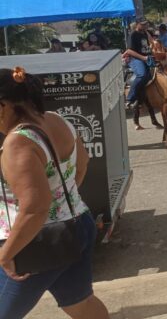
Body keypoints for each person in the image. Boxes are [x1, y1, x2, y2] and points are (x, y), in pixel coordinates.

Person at [0, 67, 109, 319]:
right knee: (80, 304)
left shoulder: (18, 142)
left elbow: (35, 208)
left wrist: (6, 255)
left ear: (4, 105)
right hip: (77, 225)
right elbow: (82, 162)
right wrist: (63, 202)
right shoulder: (56, 120)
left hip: (34, 242)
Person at [123, 18, 153, 111]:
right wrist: (143, 58)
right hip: (135, 59)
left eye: (146, 24)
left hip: (146, 58)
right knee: (142, 74)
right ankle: (129, 99)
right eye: (143, 24)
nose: (145, 26)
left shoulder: (144, 33)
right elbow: (129, 51)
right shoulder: (133, 34)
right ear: (137, 24)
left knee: (149, 76)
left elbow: (151, 43)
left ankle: (141, 97)